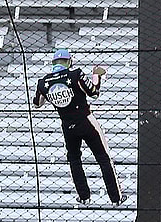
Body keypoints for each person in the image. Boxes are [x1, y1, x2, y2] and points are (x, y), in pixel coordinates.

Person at [34, 49, 125, 205]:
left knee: (74, 160)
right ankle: (116, 197)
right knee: (103, 158)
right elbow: (94, 93)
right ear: (69, 61)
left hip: (67, 125)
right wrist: (96, 75)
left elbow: (37, 103)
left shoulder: (44, 82)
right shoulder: (75, 74)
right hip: (86, 120)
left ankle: (84, 196)